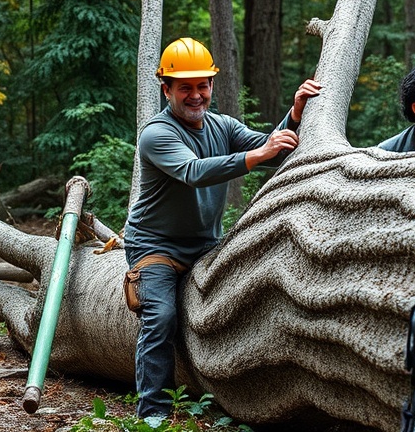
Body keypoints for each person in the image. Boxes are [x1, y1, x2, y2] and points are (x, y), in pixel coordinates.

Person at [123, 37, 321, 418]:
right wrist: (256, 154)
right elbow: (193, 172)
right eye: (186, 87)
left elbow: (270, 148)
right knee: (161, 316)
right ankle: (152, 413)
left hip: (206, 244)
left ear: (212, 86)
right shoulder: (156, 134)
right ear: (167, 89)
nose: (196, 95)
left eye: (203, 85)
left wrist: (295, 115)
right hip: (156, 248)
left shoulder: (222, 126)